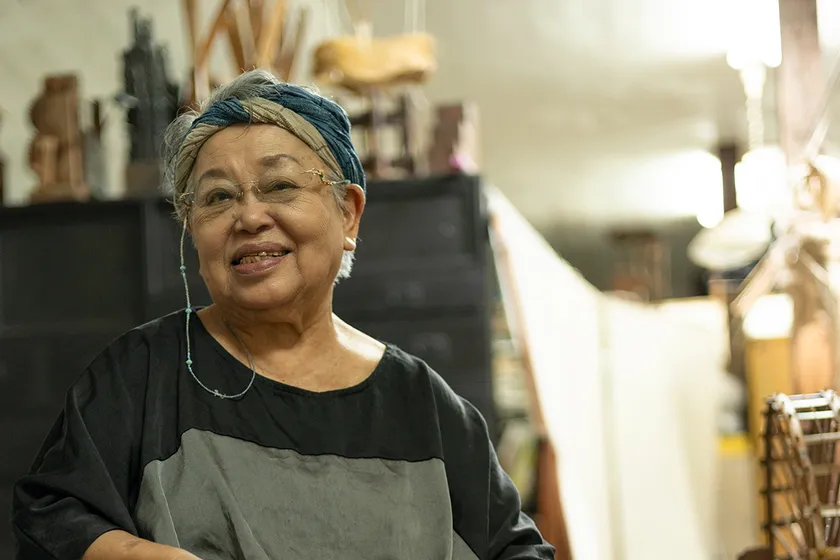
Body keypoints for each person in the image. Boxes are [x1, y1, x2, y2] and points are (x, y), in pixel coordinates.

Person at [11, 69, 554, 560]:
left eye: (280, 186)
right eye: (217, 198)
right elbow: (51, 518)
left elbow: (516, 550)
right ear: (192, 229)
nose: (249, 217)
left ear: (348, 214)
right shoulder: (141, 374)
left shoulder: (424, 407)